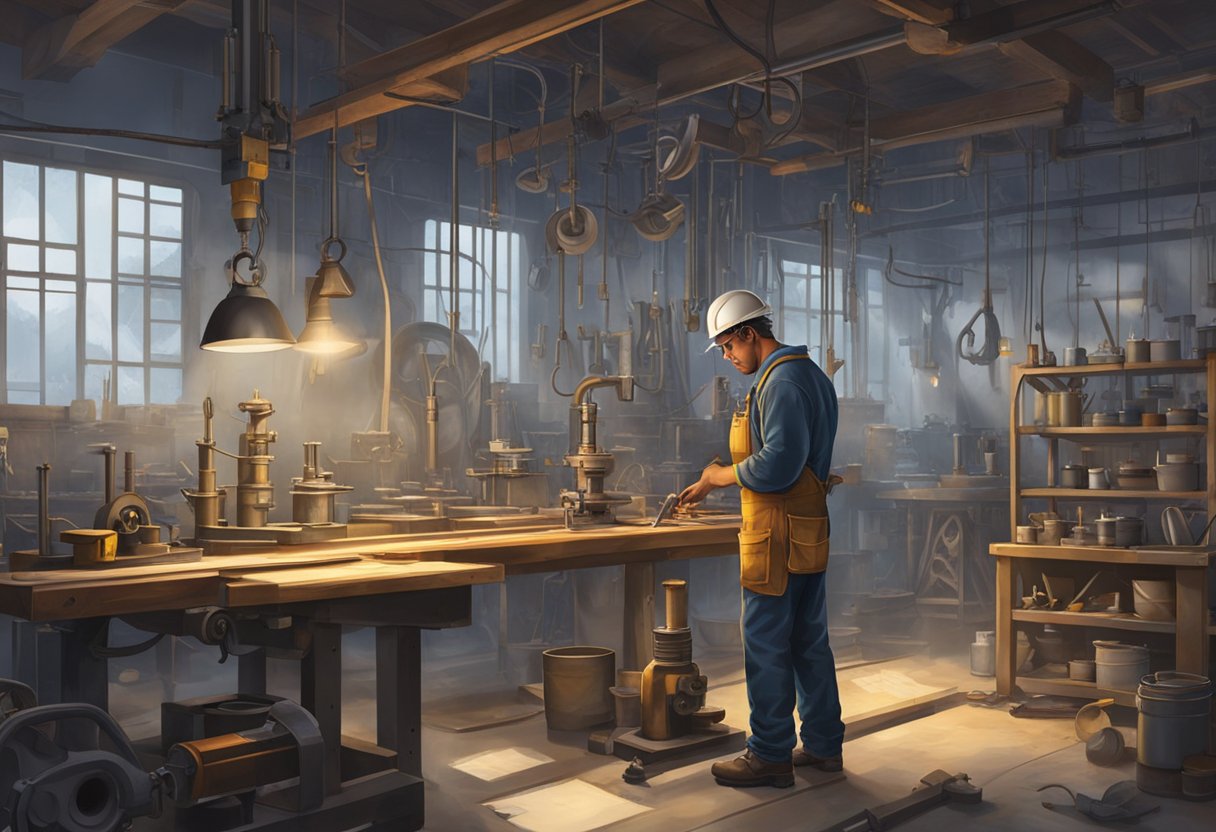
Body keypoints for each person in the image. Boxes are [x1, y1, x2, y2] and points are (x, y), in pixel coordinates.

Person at [678, 289, 844, 789]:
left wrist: (718, 477)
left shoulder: (783, 383)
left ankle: (770, 754)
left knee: (767, 644)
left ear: (750, 333)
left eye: (729, 346)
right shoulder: (809, 375)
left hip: (776, 537)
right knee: (808, 641)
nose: (728, 358)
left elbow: (778, 464)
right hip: (805, 532)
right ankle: (822, 745)